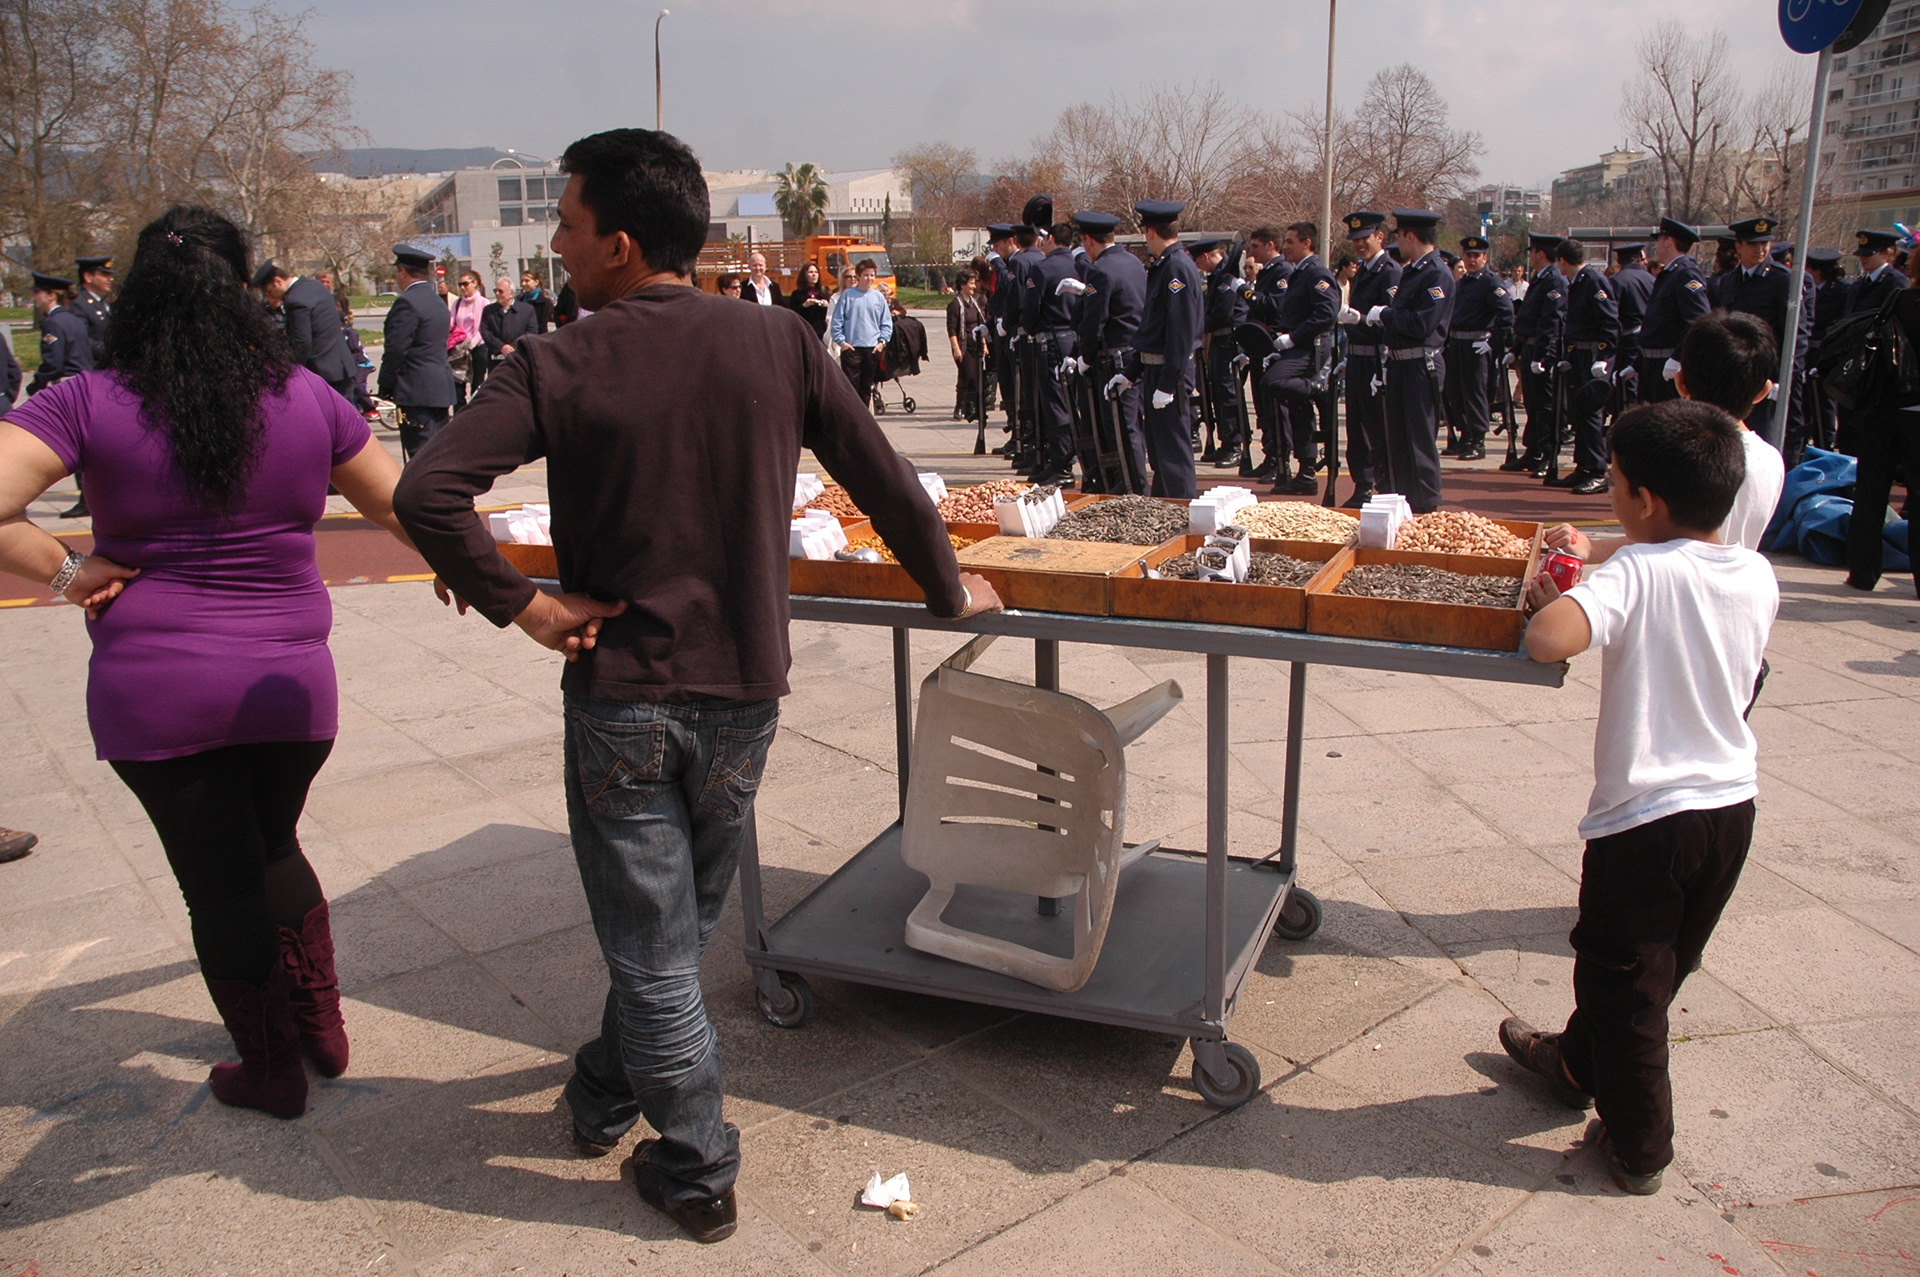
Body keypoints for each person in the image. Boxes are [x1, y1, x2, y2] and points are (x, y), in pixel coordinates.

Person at [391, 127, 1003, 1244]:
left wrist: (520, 603)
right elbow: (889, 475)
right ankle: (600, 1090)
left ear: (619, 244)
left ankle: (698, 1163)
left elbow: (427, 490)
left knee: (657, 944)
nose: (558, 246)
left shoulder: (555, 361)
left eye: (567, 226)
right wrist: (949, 588)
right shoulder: (777, 340)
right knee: (669, 934)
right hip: (742, 695)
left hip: (623, 696)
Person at [0, 204, 418, 1120]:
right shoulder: (308, 395)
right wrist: (490, 578)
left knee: (217, 880)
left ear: (140, 296)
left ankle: (267, 1068)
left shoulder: (84, 399)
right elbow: (406, 506)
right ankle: (322, 1028)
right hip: (290, 690)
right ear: (240, 296)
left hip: (155, 695)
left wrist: (70, 571)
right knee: (273, 846)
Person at [1502, 397, 1777, 1197]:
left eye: (1614, 486)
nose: (1609, 498)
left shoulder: (1636, 575)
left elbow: (1550, 637)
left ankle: (1637, 1145)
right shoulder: (1754, 571)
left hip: (1645, 823)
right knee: (1663, 965)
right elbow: (1671, 563)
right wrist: (1608, 553)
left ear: (1645, 500)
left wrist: (1562, 589)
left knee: (1623, 986)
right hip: (1731, 808)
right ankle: (1573, 1062)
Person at [1545, 309, 1785, 564]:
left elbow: (1663, 541)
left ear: (1680, 382)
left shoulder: (1682, 455)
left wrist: (1591, 549)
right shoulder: (1772, 460)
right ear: (1763, 391)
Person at [1367, 208, 1452, 513]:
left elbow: (1422, 324)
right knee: (1399, 441)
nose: (1398, 243)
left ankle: (1427, 505)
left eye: (1400, 236)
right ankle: (1406, 503)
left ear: (1410, 236)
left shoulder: (1436, 273)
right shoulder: (1414, 271)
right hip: (1402, 363)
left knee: (1419, 440)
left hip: (1420, 365)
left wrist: (1386, 314)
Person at [1118, 199, 1202, 498]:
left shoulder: (1176, 268)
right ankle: (1167, 512)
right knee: (1161, 454)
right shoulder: (1167, 266)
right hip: (1156, 368)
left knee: (1174, 455)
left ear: (1150, 232)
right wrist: (1131, 372)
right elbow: (1151, 329)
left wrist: (1168, 383)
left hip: (1169, 372)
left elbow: (1179, 331)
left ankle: (1185, 516)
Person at [1251, 221, 1338, 495]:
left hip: (1310, 346)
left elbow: (1326, 313)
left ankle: (1318, 390)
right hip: (1295, 346)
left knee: (1272, 383)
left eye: (1290, 242)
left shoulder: (1316, 273)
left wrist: (1294, 338)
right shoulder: (1300, 273)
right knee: (1298, 408)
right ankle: (1307, 471)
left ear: (1307, 243)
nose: (1285, 247)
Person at [1074, 210, 1148, 491]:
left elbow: (1094, 320)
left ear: (1089, 240)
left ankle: (1131, 488)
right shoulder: (1132, 262)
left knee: (1119, 429)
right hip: (1131, 354)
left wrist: (1086, 356)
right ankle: (1131, 485)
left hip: (1113, 358)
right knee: (1130, 427)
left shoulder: (1101, 270)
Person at [1334, 211, 1401, 505]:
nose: (1359, 244)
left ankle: (1384, 487)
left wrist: (1361, 320)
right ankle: (1362, 486)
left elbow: (1392, 321)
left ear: (1379, 237)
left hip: (1376, 358)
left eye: (1365, 238)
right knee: (1357, 429)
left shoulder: (1389, 272)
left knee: (1378, 428)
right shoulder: (1362, 272)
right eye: (1355, 240)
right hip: (1358, 358)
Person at [1548, 239, 1620, 495]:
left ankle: (1598, 470)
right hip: (1579, 354)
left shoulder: (1593, 280)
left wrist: (1605, 355)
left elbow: (1609, 321)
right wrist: (1569, 353)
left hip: (1592, 356)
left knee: (1591, 415)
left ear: (1563, 261)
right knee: (1579, 414)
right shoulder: (1578, 282)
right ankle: (1584, 466)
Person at [379, 243, 459, 459]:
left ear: (402, 271)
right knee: (439, 453)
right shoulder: (437, 301)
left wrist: (385, 384)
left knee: (421, 456)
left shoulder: (407, 303)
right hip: (439, 389)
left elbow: (396, 350)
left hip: (416, 392)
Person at [1022, 218, 1085, 486]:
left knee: (1055, 404)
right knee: (1073, 401)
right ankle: (1063, 460)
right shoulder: (1081, 265)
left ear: (1050, 240)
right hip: (1074, 339)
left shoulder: (1043, 268)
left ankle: (1063, 463)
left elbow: (1030, 312)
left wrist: (1031, 327)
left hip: (1050, 341)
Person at [1443, 234, 1515, 462]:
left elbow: (1506, 315)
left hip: (1476, 344)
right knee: (1457, 394)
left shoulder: (1491, 282)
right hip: (1457, 343)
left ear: (1485, 257)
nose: (1471, 260)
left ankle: (1478, 441)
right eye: (1468, 255)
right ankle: (1465, 436)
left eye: (1476, 256)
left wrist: (1492, 342)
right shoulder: (1462, 283)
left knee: (1475, 394)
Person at [1503, 233, 1566, 478]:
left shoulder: (1554, 280)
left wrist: (1543, 355)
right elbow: (1528, 320)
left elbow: (1551, 320)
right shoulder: (1540, 279)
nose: (1529, 257)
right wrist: (1517, 350)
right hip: (1530, 347)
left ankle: (1548, 454)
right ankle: (1534, 451)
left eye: (1531, 252)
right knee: (1531, 403)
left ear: (1540, 253)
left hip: (1542, 351)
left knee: (1545, 406)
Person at [251, 260, 357, 400]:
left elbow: (301, 343)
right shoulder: (314, 285)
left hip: (322, 373)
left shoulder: (295, 301)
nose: (269, 297)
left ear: (277, 281)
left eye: (269, 291)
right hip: (342, 366)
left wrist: (288, 373)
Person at [1638, 217, 1711, 408]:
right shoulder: (1670, 273)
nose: (1656, 247)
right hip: (1654, 362)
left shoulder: (1686, 273)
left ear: (1668, 241)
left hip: (1667, 364)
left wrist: (1678, 357)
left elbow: (1698, 319)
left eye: (1659, 241)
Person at [1241, 226, 1294, 480]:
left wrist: (1246, 292)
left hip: (1274, 345)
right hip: (1259, 347)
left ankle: (1280, 459)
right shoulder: (1268, 273)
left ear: (1270, 245)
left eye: (1256, 246)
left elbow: (1275, 307)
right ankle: (1270, 454)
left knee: (1275, 407)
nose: (1252, 252)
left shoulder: (1282, 271)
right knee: (1263, 407)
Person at [830, 258, 892, 409]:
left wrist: (881, 343)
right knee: (851, 388)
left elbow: (886, 323)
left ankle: (863, 419)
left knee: (866, 388)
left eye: (872, 275)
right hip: (852, 349)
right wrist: (842, 343)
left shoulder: (878, 297)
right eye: (866, 275)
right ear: (858, 276)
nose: (869, 278)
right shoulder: (848, 295)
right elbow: (837, 321)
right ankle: (851, 419)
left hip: (871, 349)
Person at [1609, 244, 1654, 406]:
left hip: (1627, 339)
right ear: (1638, 258)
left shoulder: (1617, 280)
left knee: (1627, 385)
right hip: (1649, 337)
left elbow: (1612, 316)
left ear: (1619, 261)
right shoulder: (1652, 279)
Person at [479, 276, 539, 390]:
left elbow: (531, 332)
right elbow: (485, 331)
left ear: (511, 293)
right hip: (496, 358)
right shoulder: (489, 310)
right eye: (495, 290)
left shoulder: (527, 310)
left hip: (519, 359)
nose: (497, 293)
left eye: (500, 291)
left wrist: (513, 348)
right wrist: (501, 347)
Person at [946, 271, 991, 421]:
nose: (974, 286)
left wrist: (984, 344)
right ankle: (960, 406)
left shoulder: (974, 303)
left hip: (976, 343)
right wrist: (955, 348)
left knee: (977, 376)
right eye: (971, 283)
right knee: (967, 375)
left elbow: (980, 325)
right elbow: (952, 328)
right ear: (962, 285)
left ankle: (971, 407)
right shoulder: (955, 304)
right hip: (963, 345)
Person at [448, 270, 487, 408]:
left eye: (465, 284)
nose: (463, 287)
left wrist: (471, 344)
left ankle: (476, 414)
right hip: (459, 349)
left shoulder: (483, 303)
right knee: (457, 386)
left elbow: (484, 327)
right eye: (460, 285)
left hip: (478, 348)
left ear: (474, 283)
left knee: (477, 385)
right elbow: (451, 324)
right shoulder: (457, 303)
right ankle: (460, 414)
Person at [74, 255, 115, 365]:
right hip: (92, 366)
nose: (110, 279)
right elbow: (81, 339)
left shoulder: (104, 303)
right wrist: (108, 351)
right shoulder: (78, 304)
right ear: (88, 277)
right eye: (105, 275)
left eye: (110, 275)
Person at [787, 260, 831, 340]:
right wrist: (805, 305)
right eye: (810, 272)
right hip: (804, 330)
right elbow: (792, 313)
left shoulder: (824, 293)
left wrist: (827, 306)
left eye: (816, 272)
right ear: (804, 275)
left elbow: (830, 314)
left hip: (820, 332)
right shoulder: (797, 294)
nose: (814, 275)